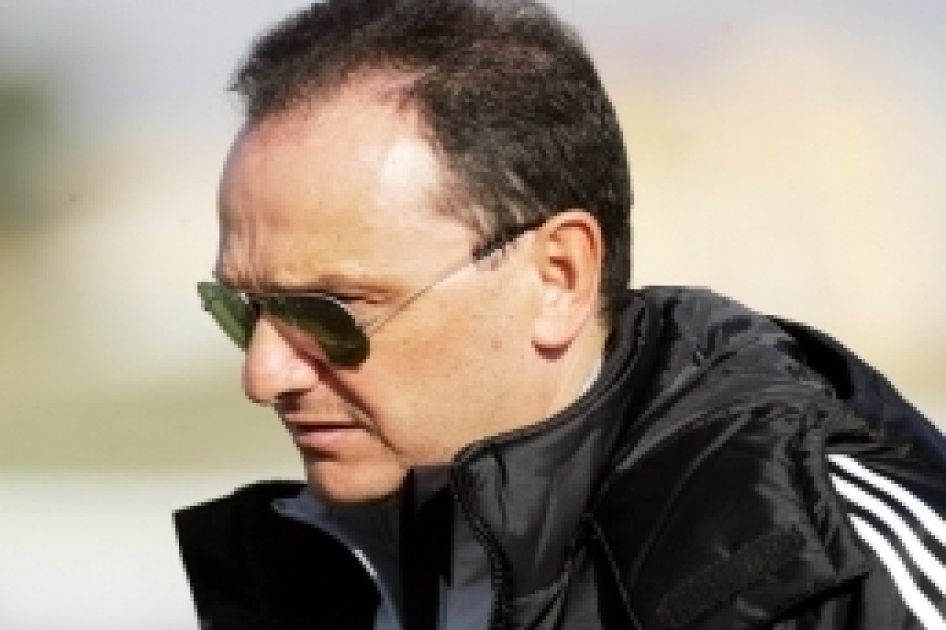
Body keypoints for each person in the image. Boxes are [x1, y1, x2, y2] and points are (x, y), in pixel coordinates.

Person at [173, 0, 946, 628]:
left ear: (558, 278)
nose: (263, 374)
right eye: (244, 310)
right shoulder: (319, 574)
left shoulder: (820, 575)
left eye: (332, 311)